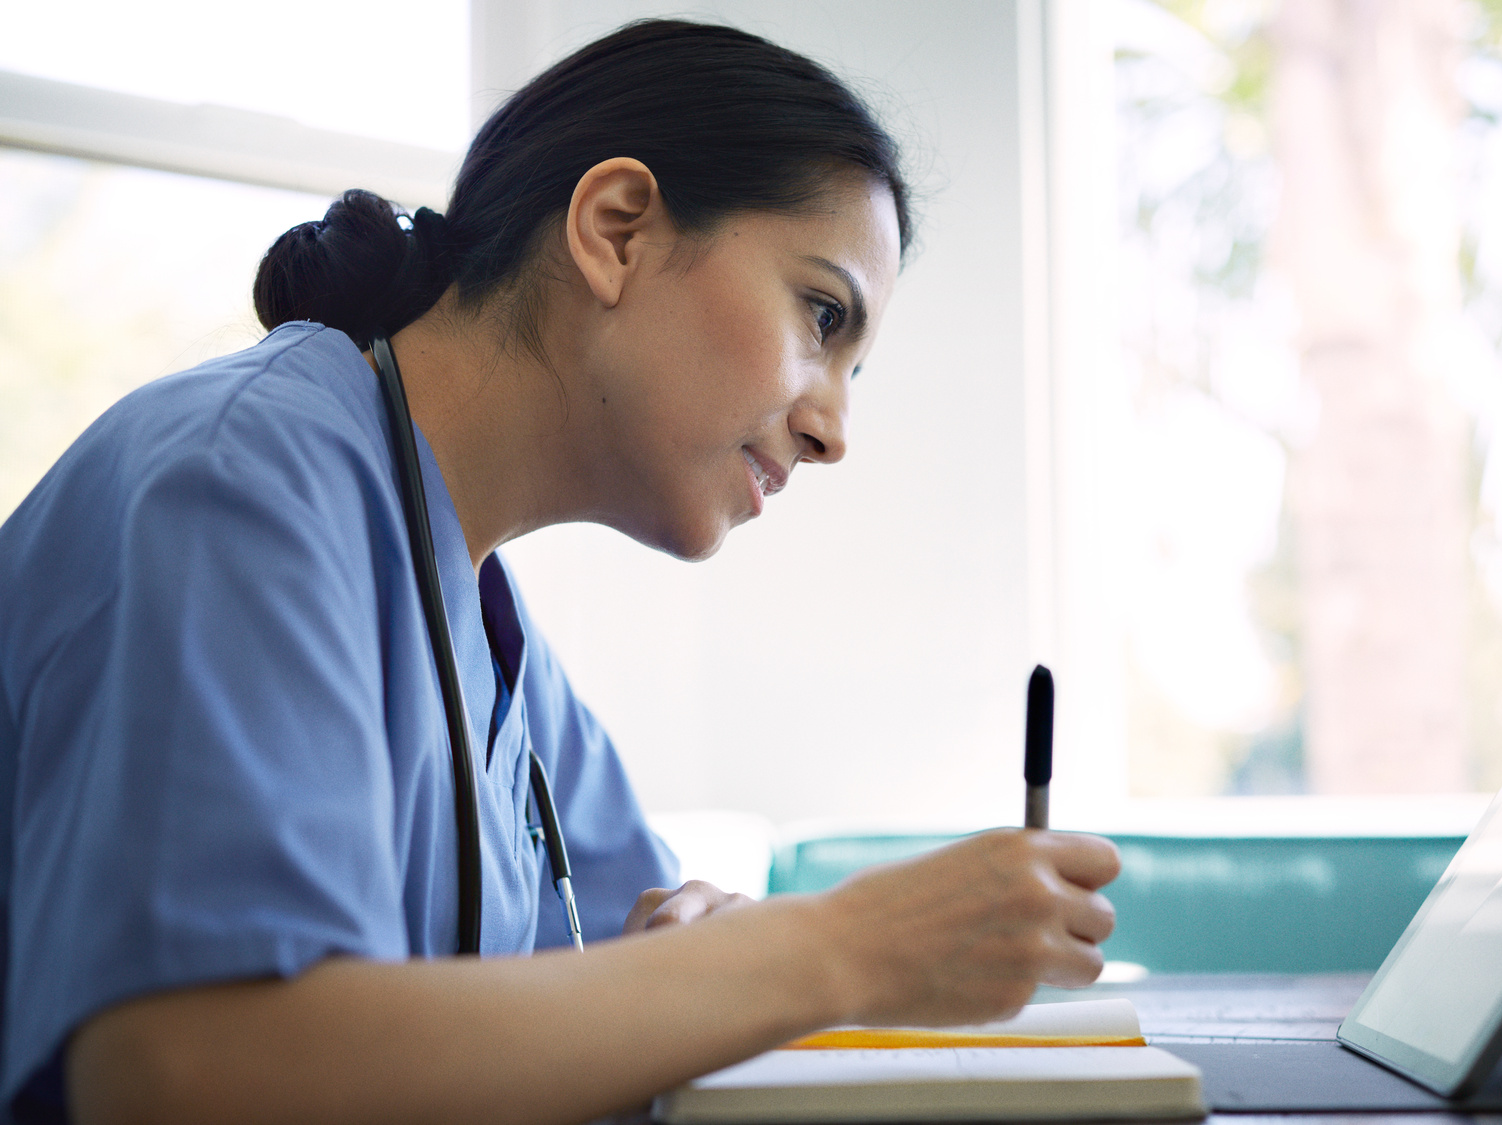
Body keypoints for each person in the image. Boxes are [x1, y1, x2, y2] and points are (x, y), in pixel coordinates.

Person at [0, 19, 1121, 1125]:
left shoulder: (495, 641)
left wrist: (712, 948)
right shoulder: (238, 482)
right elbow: (187, 1071)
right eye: (820, 315)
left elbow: (628, 959)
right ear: (616, 229)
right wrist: (841, 947)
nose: (833, 428)